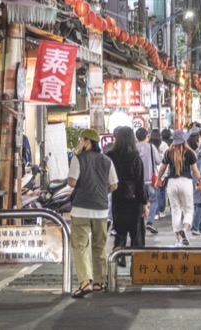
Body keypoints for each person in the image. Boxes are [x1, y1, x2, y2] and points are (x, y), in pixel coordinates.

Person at [68, 128, 118, 297]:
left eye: (81, 139)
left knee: (80, 247)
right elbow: (114, 185)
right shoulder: (106, 160)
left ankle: (84, 283)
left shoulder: (78, 159)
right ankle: (99, 282)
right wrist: (102, 192)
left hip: (80, 209)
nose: (79, 143)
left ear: (88, 142)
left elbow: (72, 182)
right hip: (101, 210)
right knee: (99, 246)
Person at [106, 127, 148, 267]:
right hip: (133, 200)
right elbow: (140, 182)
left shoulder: (110, 156)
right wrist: (144, 203)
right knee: (137, 236)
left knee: (120, 232)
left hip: (117, 199)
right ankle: (138, 268)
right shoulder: (135, 157)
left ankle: (119, 258)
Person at [154, 129, 201, 246]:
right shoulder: (190, 152)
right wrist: (200, 181)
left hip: (172, 183)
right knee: (188, 210)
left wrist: (157, 180)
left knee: (176, 211)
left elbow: (162, 168)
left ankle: (178, 240)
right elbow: (195, 171)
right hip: (186, 182)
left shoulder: (168, 152)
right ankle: (185, 230)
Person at [135, 127, 162, 235]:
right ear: (147, 136)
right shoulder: (151, 147)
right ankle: (150, 222)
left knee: (138, 201)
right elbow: (159, 160)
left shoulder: (133, 148)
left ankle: (138, 222)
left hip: (137, 180)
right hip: (150, 180)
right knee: (154, 200)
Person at [187, 128, 201, 235]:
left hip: (191, 180)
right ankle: (195, 226)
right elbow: (198, 169)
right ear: (196, 142)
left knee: (196, 204)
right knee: (199, 204)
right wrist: (200, 180)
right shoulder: (198, 153)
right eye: (200, 140)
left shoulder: (190, 152)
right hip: (197, 180)